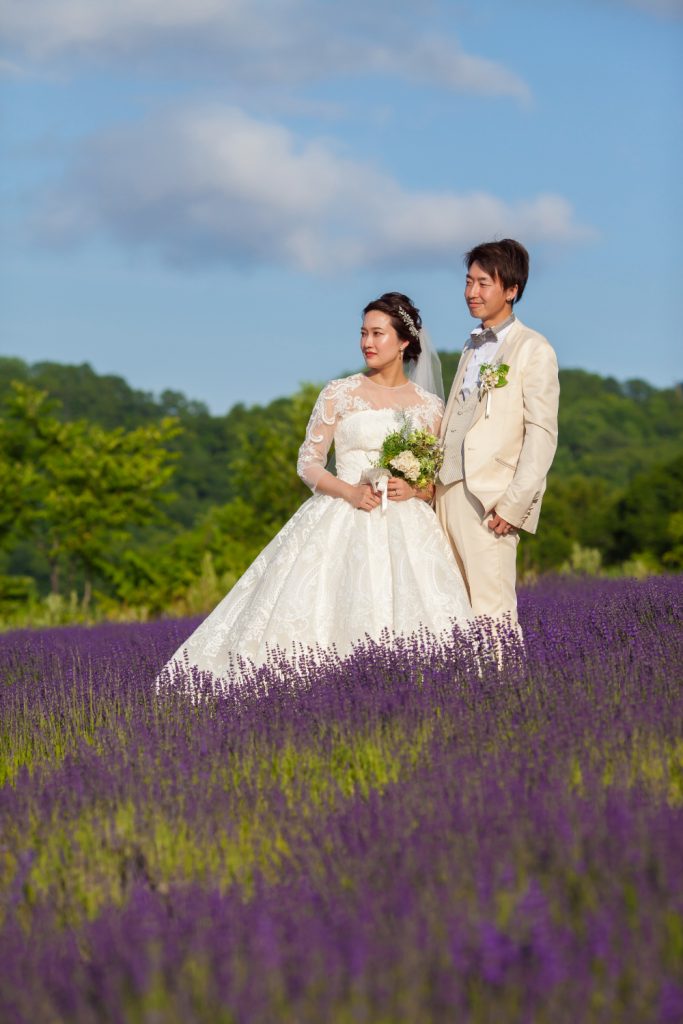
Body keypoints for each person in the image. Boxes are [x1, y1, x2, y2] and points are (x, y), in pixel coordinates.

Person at [159, 292, 471, 687]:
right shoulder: (339, 393)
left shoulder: (429, 407)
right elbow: (307, 463)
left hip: (406, 525)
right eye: (363, 333)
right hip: (343, 512)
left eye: (378, 333)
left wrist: (414, 489)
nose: (367, 343)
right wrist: (349, 492)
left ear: (405, 341)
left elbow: (432, 484)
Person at [436, 239, 560, 630]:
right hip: (445, 491)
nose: (472, 292)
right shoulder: (470, 347)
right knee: (451, 612)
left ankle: (505, 692)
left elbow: (541, 434)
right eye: (469, 281)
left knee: (493, 614)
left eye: (483, 283)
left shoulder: (533, 348)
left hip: (491, 500)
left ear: (511, 290)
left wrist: (514, 504)